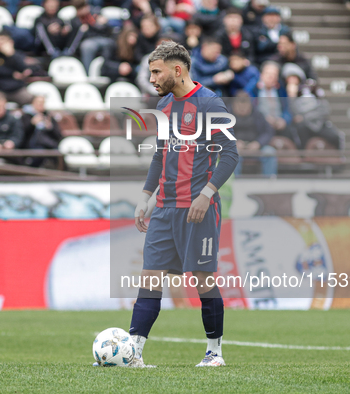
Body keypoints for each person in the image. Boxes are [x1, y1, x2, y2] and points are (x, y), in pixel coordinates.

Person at [128, 40, 238, 368]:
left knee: (203, 279)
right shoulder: (163, 107)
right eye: (151, 72)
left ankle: (214, 352)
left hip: (197, 208)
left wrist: (206, 194)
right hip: (164, 207)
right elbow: (160, 157)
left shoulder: (210, 104)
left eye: (157, 72)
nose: (152, 78)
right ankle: (133, 352)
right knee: (149, 277)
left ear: (178, 70)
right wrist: (145, 198)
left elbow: (230, 155)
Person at [0, 30, 35, 107]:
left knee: (31, 98)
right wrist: (12, 73)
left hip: (16, 90)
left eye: (2, 40)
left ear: (10, 42)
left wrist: (11, 55)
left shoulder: (17, 55)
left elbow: (24, 69)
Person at [230, 91, 277, 176]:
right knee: (232, 155)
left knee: (270, 152)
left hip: (256, 148)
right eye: (239, 105)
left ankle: (269, 185)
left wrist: (258, 143)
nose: (242, 108)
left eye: (245, 105)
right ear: (234, 105)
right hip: (236, 149)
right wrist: (233, 143)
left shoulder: (258, 115)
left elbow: (268, 132)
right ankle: (234, 185)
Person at [69, 0, 114, 73]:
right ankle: (88, 73)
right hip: (88, 40)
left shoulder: (96, 14)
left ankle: (106, 70)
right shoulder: (75, 20)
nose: (82, 10)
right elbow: (77, 37)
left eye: (83, 7)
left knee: (109, 44)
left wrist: (101, 24)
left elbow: (106, 29)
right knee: (87, 46)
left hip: (102, 38)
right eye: (79, 9)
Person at [249, 61, 290, 135]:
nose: (271, 77)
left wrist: (284, 120)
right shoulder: (254, 88)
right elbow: (250, 107)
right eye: (268, 74)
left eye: (274, 74)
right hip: (260, 125)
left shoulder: (280, 89)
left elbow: (287, 109)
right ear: (262, 75)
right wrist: (264, 118)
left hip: (279, 125)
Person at [21, 95, 62, 167]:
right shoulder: (26, 117)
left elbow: (59, 136)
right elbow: (21, 134)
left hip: (48, 146)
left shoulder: (49, 117)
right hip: (31, 147)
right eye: (38, 102)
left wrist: (50, 127)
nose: (40, 104)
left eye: (42, 102)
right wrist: (32, 124)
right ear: (32, 103)